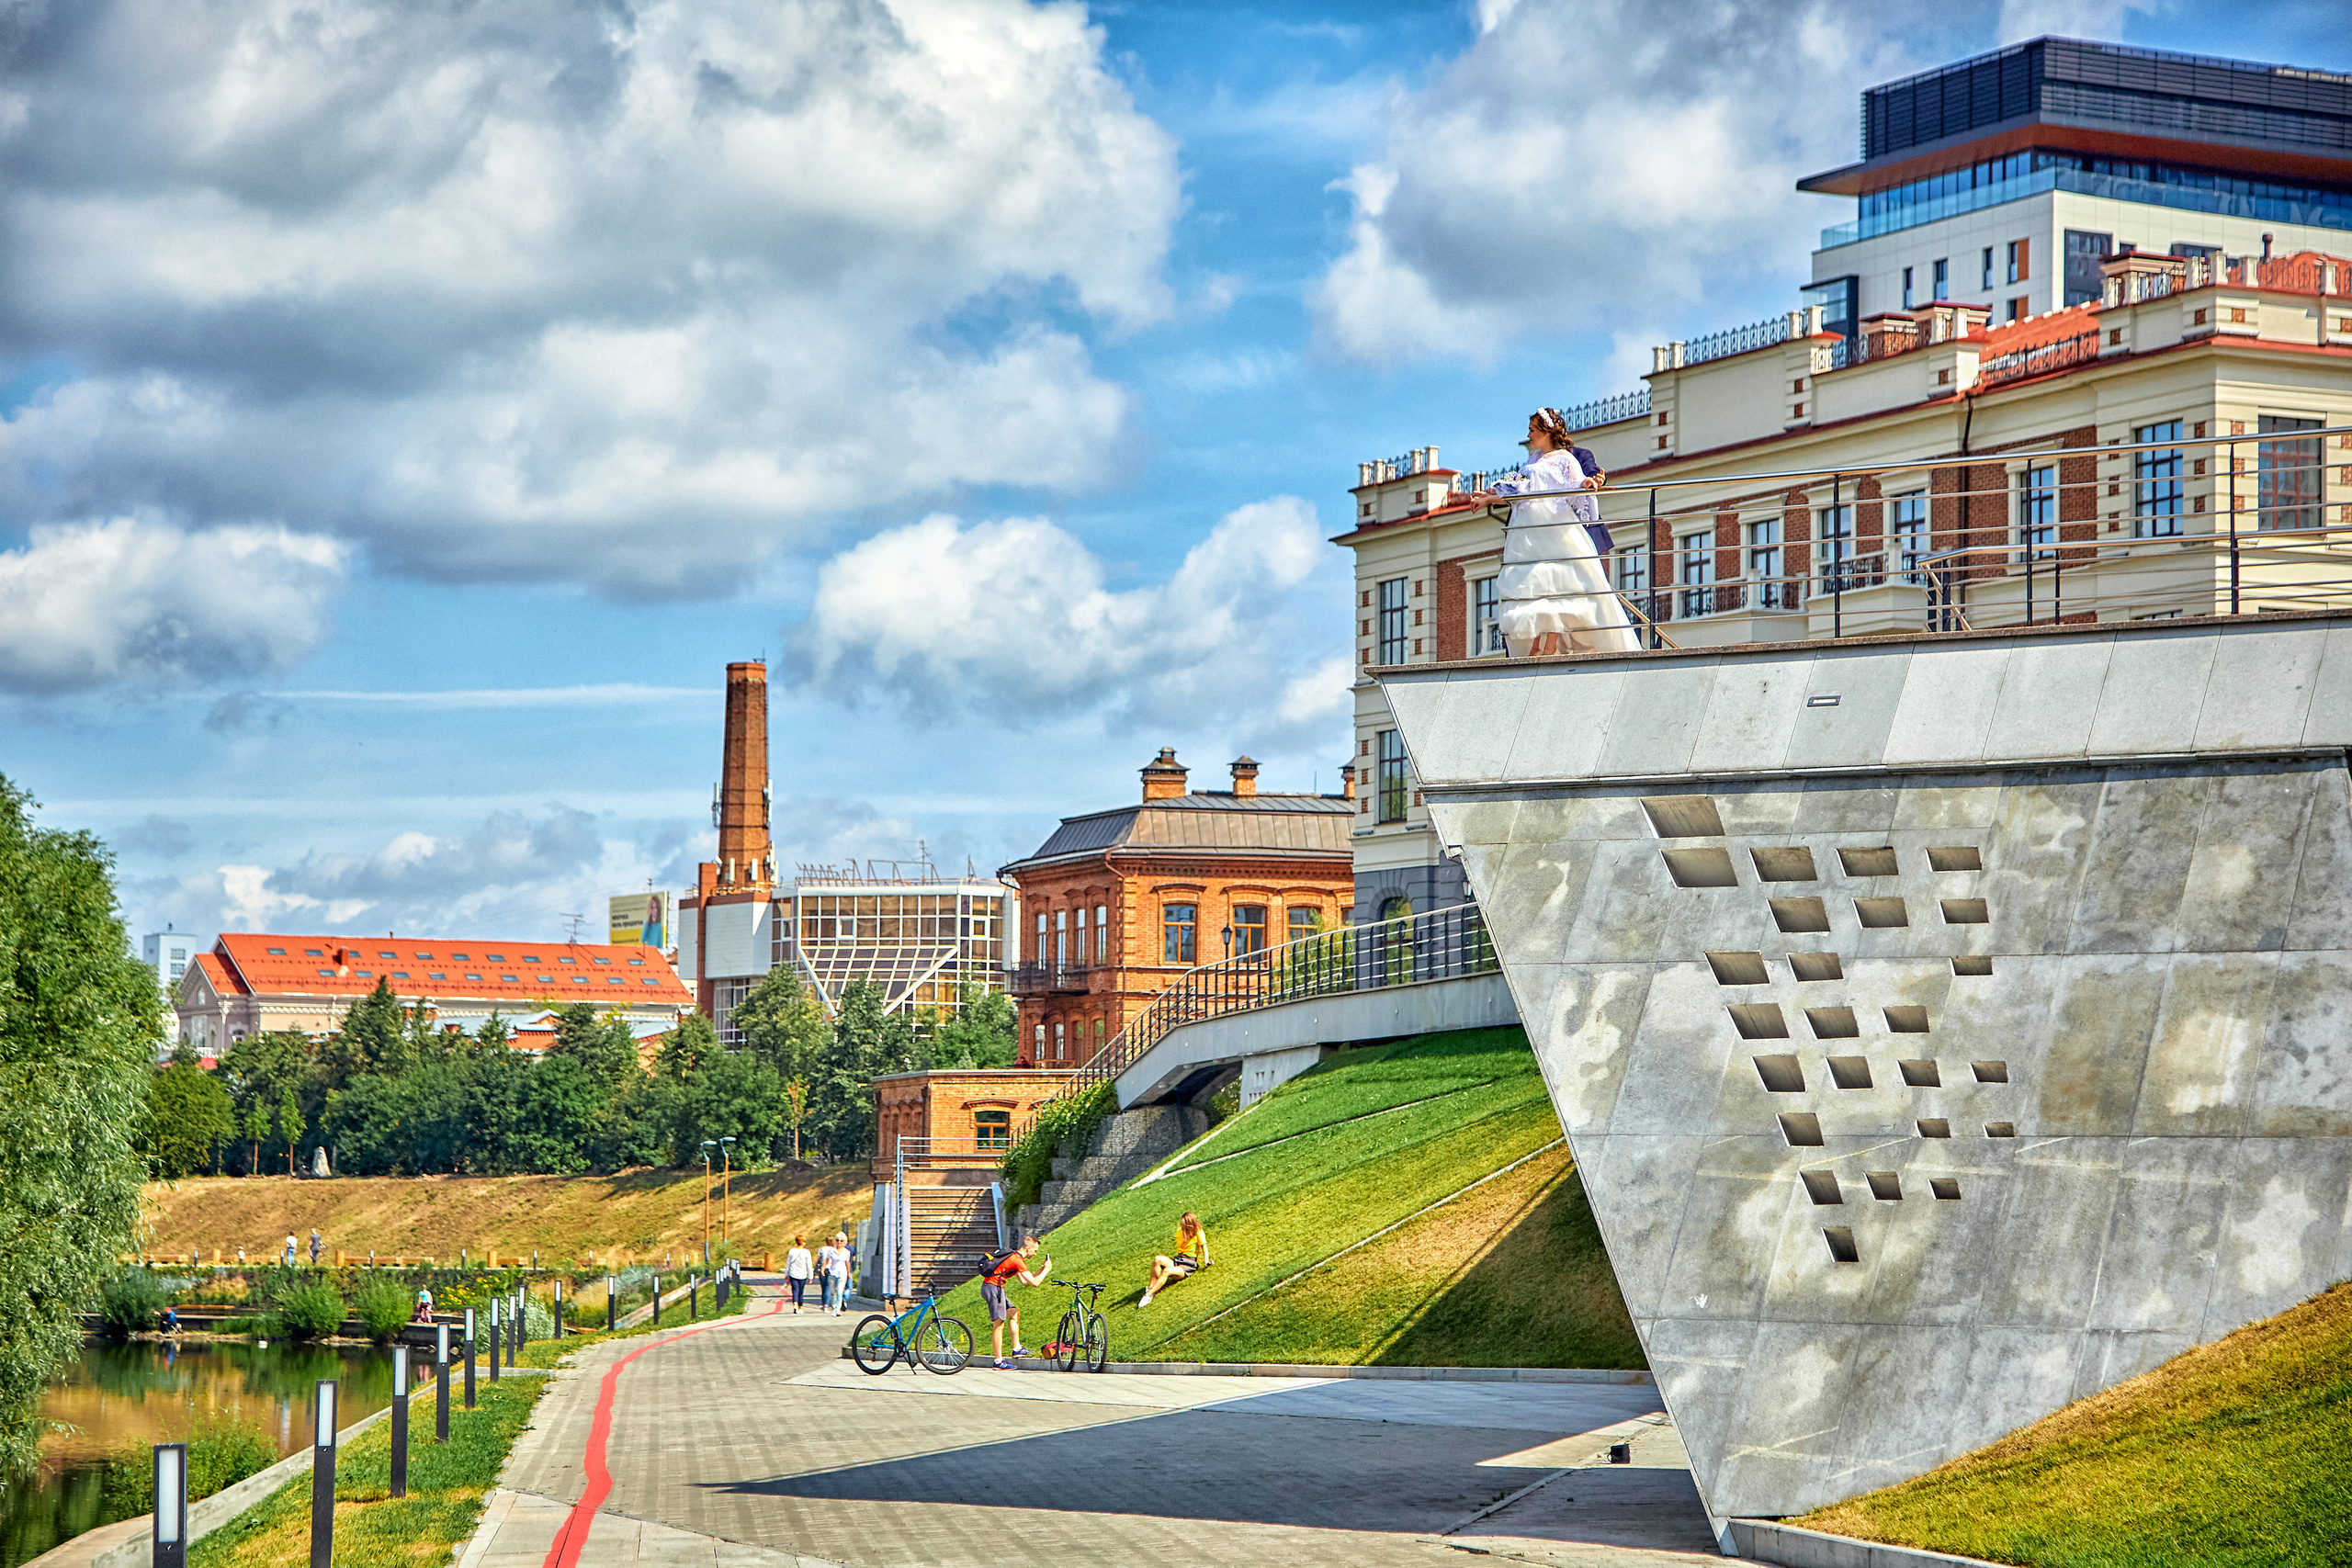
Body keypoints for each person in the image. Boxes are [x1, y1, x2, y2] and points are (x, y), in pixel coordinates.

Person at [1469, 409, 1642, 658]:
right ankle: (1538, 643)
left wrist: (1588, 483)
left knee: (1557, 584)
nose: (1528, 435)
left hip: (1554, 527)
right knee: (1538, 586)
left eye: (1532, 430)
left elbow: (1578, 482)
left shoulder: (1565, 458)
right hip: (1530, 531)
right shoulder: (1531, 461)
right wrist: (1488, 499)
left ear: (1546, 431)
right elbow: (1516, 489)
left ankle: (1550, 644)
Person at [978, 1235, 1050, 1369]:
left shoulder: (1013, 1258)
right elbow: (1035, 1283)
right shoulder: (1016, 1260)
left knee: (1014, 1313)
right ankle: (998, 1361)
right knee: (998, 1324)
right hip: (994, 1289)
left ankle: (1017, 1348)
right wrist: (1046, 1270)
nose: (1035, 1254)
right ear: (1028, 1248)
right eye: (1035, 1251)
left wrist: (1040, 1269)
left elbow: (1025, 1282)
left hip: (994, 1288)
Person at [1139, 1213, 1211, 1307]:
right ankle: (1151, 1288)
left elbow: (1204, 1246)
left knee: (1166, 1271)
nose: (1181, 1226)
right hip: (1179, 1259)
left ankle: (1148, 1295)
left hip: (1188, 1264)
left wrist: (1206, 1261)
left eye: (1184, 1224)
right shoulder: (1179, 1232)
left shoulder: (1198, 1231)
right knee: (1158, 1259)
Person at [818, 1233, 852, 1315]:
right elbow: (826, 1260)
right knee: (833, 1292)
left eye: (841, 1241)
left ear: (844, 1242)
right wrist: (823, 1269)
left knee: (840, 1292)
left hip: (842, 1273)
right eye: (837, 1240)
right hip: (832, 1273)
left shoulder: (847, 1252)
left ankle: (838, 1309)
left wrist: (848, 1273)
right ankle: (833, 1308)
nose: (839, 1242)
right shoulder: (831, 1250)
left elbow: (847, 1263)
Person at [784, 1235, 813, 1314]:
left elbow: (788, 1264)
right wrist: (811, 1276)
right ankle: (800, 1307)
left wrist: (786, 1274)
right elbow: (809, 1265)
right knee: (801, 1291)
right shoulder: (806, 1252)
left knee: (795, 1290)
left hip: (793, 1273)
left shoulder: (792, 1251)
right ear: (803, 1242)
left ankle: (795, 1304)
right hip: (803, 1274)